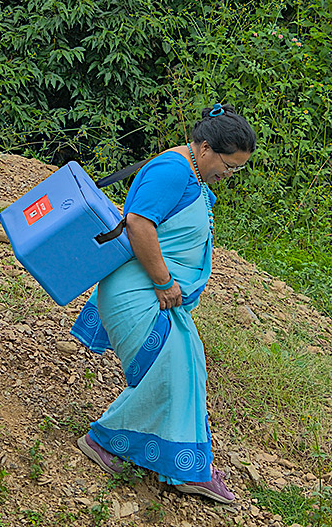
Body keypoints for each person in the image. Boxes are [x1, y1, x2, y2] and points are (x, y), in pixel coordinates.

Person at [71, 104, 256, 504]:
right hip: (139, 294)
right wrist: (165, 280)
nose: (229, 174)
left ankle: (183, 463)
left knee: (185, 368)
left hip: (154, 296)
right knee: (169, 371)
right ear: (206, 148)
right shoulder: (173, 170)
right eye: (230, 165)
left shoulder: (190, 171)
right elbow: (139, 222)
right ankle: (107, 441)